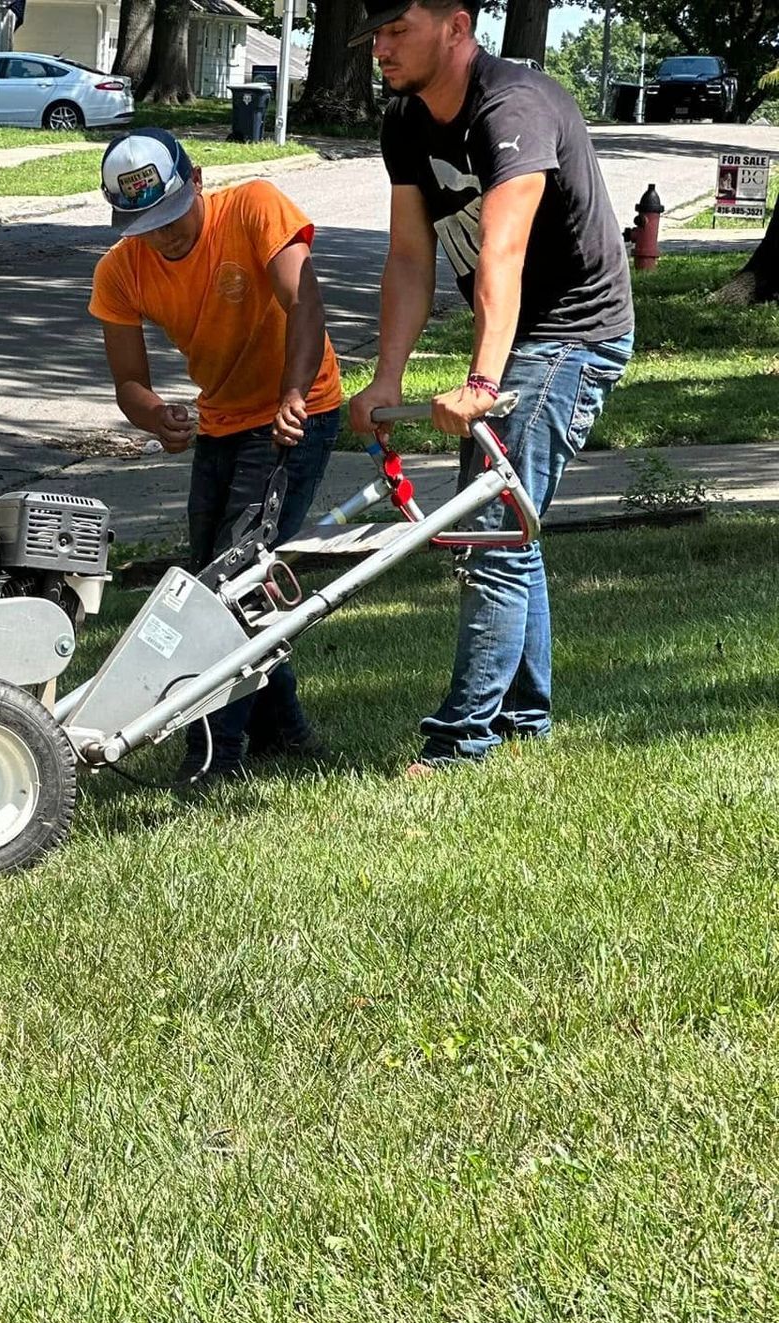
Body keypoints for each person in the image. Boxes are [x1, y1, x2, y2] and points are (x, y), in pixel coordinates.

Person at [346, 0, 633, 772]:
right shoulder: (406, 122)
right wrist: (386, 378)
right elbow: (411, 257)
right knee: (508, 530)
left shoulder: (516, 107)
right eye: (375, 35)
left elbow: (499, 255)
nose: (381, 48)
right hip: (522, 335)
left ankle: (457, 743)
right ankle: (521, 722)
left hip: (576, 332)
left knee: (486, 525)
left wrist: (480, 379)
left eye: (397, 30)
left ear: (457, 27)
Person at [90, 128, 344, 781]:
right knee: (211, 577)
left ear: (197, 178)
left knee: (230, 583)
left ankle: (216, 753)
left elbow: (304, 301)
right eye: (146, 224)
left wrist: (293, 392)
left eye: (172, 215)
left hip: (299, 410)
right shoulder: (121, 270)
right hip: (223, 421)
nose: (165, 235)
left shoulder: (255, 206)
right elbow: (128, 383)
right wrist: (156, 417)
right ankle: (283, 730)